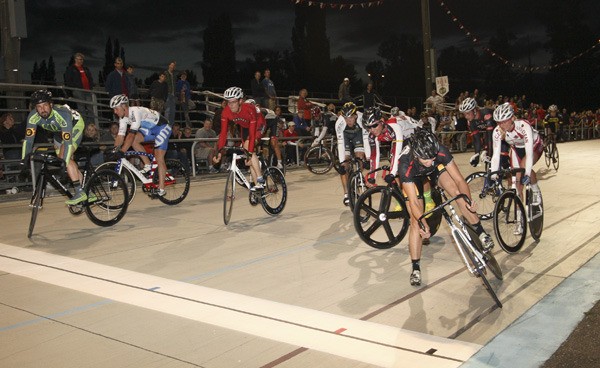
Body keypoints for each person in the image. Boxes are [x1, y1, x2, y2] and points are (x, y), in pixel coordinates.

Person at [399, 129, 495, 286]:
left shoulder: (439, 152)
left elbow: (459, 180)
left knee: (457, 193)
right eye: (426, 159)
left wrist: (468, 200)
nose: (430, 160)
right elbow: (415, 203)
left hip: (436, 171)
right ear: (417, 155)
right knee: (415, 222)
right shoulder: (405, 165)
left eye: (432, 157)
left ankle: (481, 233)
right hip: (414, 177)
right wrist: (423, 223)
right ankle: (416, 268)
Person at [21, 90, 86, 204]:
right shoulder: (33, 117)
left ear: (51, 104)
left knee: (64, 157)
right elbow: (28, 141)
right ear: (35, 108)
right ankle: (86, 191)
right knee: (66, 160)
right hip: (58, 132)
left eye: (45, 105)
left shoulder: (62, 113)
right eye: (39, 107)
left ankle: (79, 191)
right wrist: (24, 161)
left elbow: (67, 143)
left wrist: (63, 163)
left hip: (75, 126)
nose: (43, 109)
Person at [109, 94, 172, 196]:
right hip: (150, 129)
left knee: (159, 157)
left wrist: (122, 151)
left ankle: (161, 189)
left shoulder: (135, 113)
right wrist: (114, 150)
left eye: (116, 109)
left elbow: (130, 135)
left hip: (162, 127)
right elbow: (120, 136)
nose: (114, 112)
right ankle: (147, 164)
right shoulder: (123, 118)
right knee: (134, 141)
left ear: (124, 107)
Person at [490, 103, 543, 208]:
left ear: (512, 118)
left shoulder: (523, 126)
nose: (501, 125)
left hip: (534, 145)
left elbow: (529, 152)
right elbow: (495, 155)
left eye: (505, 121)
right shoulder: (497, 131)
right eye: (499, 122)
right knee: (517, 184)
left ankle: (535, 189)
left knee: (524, 166)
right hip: (516, 148)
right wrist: (493, 174)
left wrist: (527, 174)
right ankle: (520, 218)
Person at [213, 87, 264, 190]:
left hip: (258, 124)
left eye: (233, 102)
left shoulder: (249, 109)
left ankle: (261, 180)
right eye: (228, 102)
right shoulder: (226, 112)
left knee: (248, 148)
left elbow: (252, 133)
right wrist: (219, 151)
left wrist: (249, 152)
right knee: (250, 161)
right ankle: (257, 190)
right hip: (245, 127)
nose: (231, 105)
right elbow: (223, 133)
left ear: (240, 101)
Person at [335, 102, 370, 206]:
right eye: (345, 118)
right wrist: (342, 163)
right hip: (345, 138)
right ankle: (346, 194)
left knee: (360, 157)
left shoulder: (362, 119)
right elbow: (340, 144)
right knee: (344, 166)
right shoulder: (340, 122)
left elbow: (366, 139)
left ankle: (359, 175)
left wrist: (367, 159)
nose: (348, 121)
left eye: (350, 118)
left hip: (358, 136)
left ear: (356, 115)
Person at [362, 107, 403, 185]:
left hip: (411, 137)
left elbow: (396, 152)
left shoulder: (394, 127)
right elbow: (374, 156)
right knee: (394, 166)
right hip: (400, 140)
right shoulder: (372, 136)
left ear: (382, 121)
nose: (372, 130)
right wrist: (372, 177)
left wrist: (392, 173)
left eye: (374, 125)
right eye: (368, 127)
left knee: (403, 168)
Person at [64, 52, 94, 121]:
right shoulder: (71, 68)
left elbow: (90, 78)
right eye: (79, 59)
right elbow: (68, 80)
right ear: (75, 59)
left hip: (88, 90)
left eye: (82, 59)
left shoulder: (85, 68)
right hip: (78, 91)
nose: (81, 61)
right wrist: (75, 88)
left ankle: (91, 125)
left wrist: (91, 86)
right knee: (82, 108)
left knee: (90, 108)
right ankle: (83, 125)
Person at [459, 97, 487, 166]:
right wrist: (476, 155)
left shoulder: (485, 114)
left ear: (474, 110)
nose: (466, 117)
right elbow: (477, 139)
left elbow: (491, 135)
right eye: (464, 114)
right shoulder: (470, 122)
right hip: (488, 133)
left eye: (468, 113)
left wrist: (486, 149)